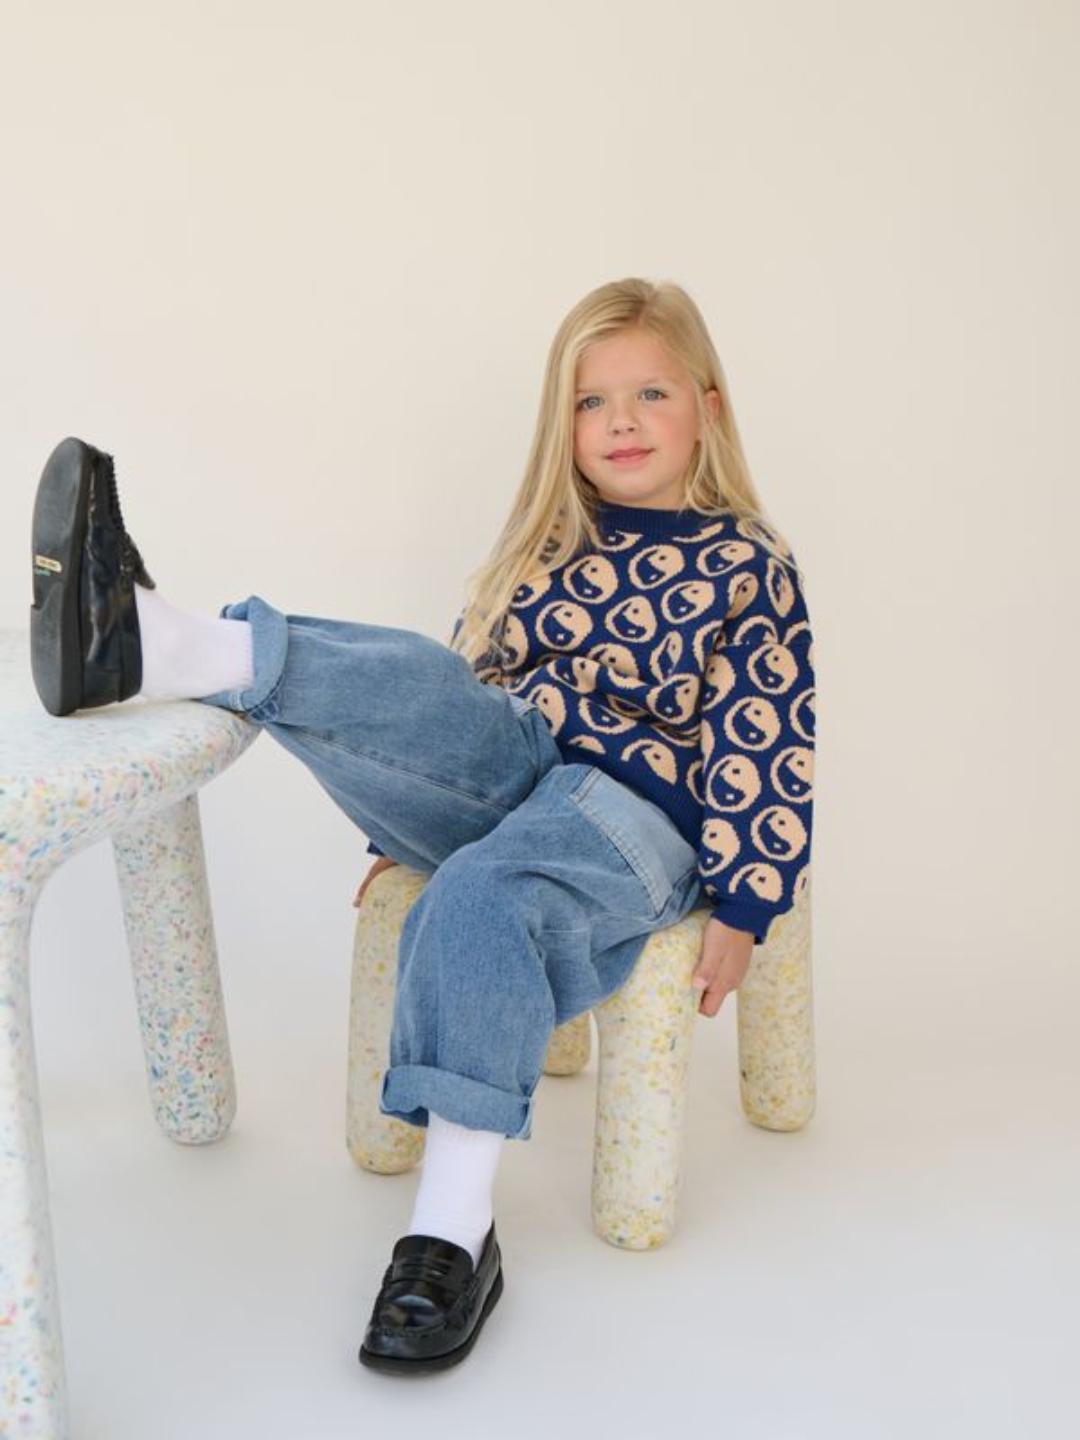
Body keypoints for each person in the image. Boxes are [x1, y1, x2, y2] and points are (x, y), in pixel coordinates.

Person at [28, 276, 816, 1376]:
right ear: (564, 424)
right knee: (413, 671)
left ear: (710, 407)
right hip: (519, 769)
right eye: (592, 402)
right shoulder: (546, 549)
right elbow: (454, 710)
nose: (622, 422)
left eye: (650, 393)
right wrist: (398, 826)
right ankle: (153, 645)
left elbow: (764, 741)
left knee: (483, 892)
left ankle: (452, 1230)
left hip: (637, 816)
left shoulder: (746, 566)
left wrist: (750, 899)